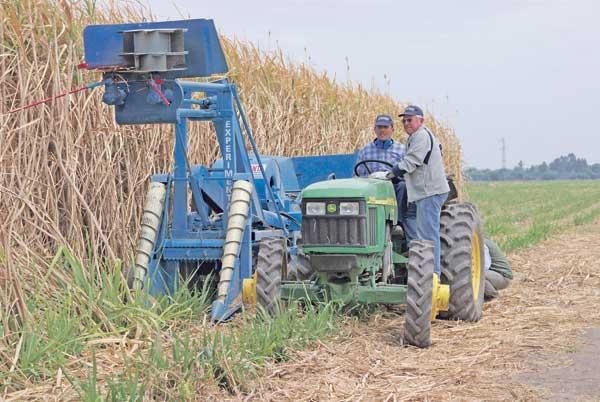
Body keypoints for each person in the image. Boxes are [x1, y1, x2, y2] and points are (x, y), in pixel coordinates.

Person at [382, 105, 450, 278]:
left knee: (428, 235)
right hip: (421, 192)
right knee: (413, 224)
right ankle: (416, 259)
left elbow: (411, 161)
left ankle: (433, 275)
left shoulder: (421, 136)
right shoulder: (415, 137)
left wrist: (389, 174)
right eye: (404, 121)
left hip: (429, 192)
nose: (406, 123)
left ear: (421, 120)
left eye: (410, 120)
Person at [355, 114, 416, 238]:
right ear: (375, 129)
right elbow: (358, 174)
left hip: (393, 185)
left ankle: (397, 222)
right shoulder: (365, 150)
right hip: (372, 186)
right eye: (379, 127)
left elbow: (407, 171)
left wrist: (392, 175)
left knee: (403, 186)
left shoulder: (401, 150)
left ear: (392, 129)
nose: (382, 130)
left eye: (385, 127)